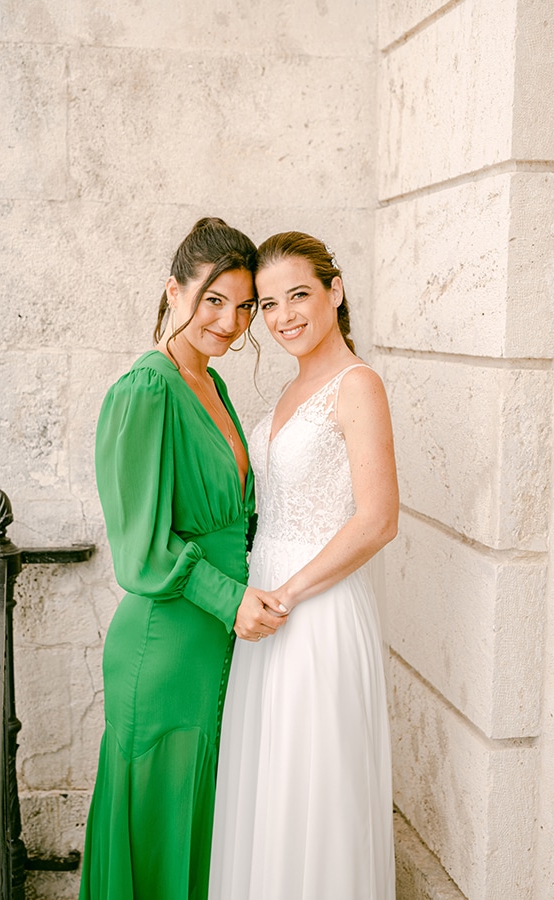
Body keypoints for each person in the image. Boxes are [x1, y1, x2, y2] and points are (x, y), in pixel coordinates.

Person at [79, 218, 287, 900]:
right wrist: (233, 601)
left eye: (244, 306)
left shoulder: (212, 385)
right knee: (157, 826)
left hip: (219, 639)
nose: (231, 323)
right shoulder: (147, 389)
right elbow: (139, 551)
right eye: (214, 301)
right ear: (174, 292)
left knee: (202, 824)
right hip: (167, 640)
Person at [210, 231, 399, 900]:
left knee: (317, 782)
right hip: (265, 607)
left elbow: (377, 519)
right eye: (267, 304)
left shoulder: (358, 384)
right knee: (269, 781)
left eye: (298, 295)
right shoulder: (289, 391)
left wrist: (285, 594)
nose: (284, 315)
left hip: (315, 610)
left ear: (334, 291)